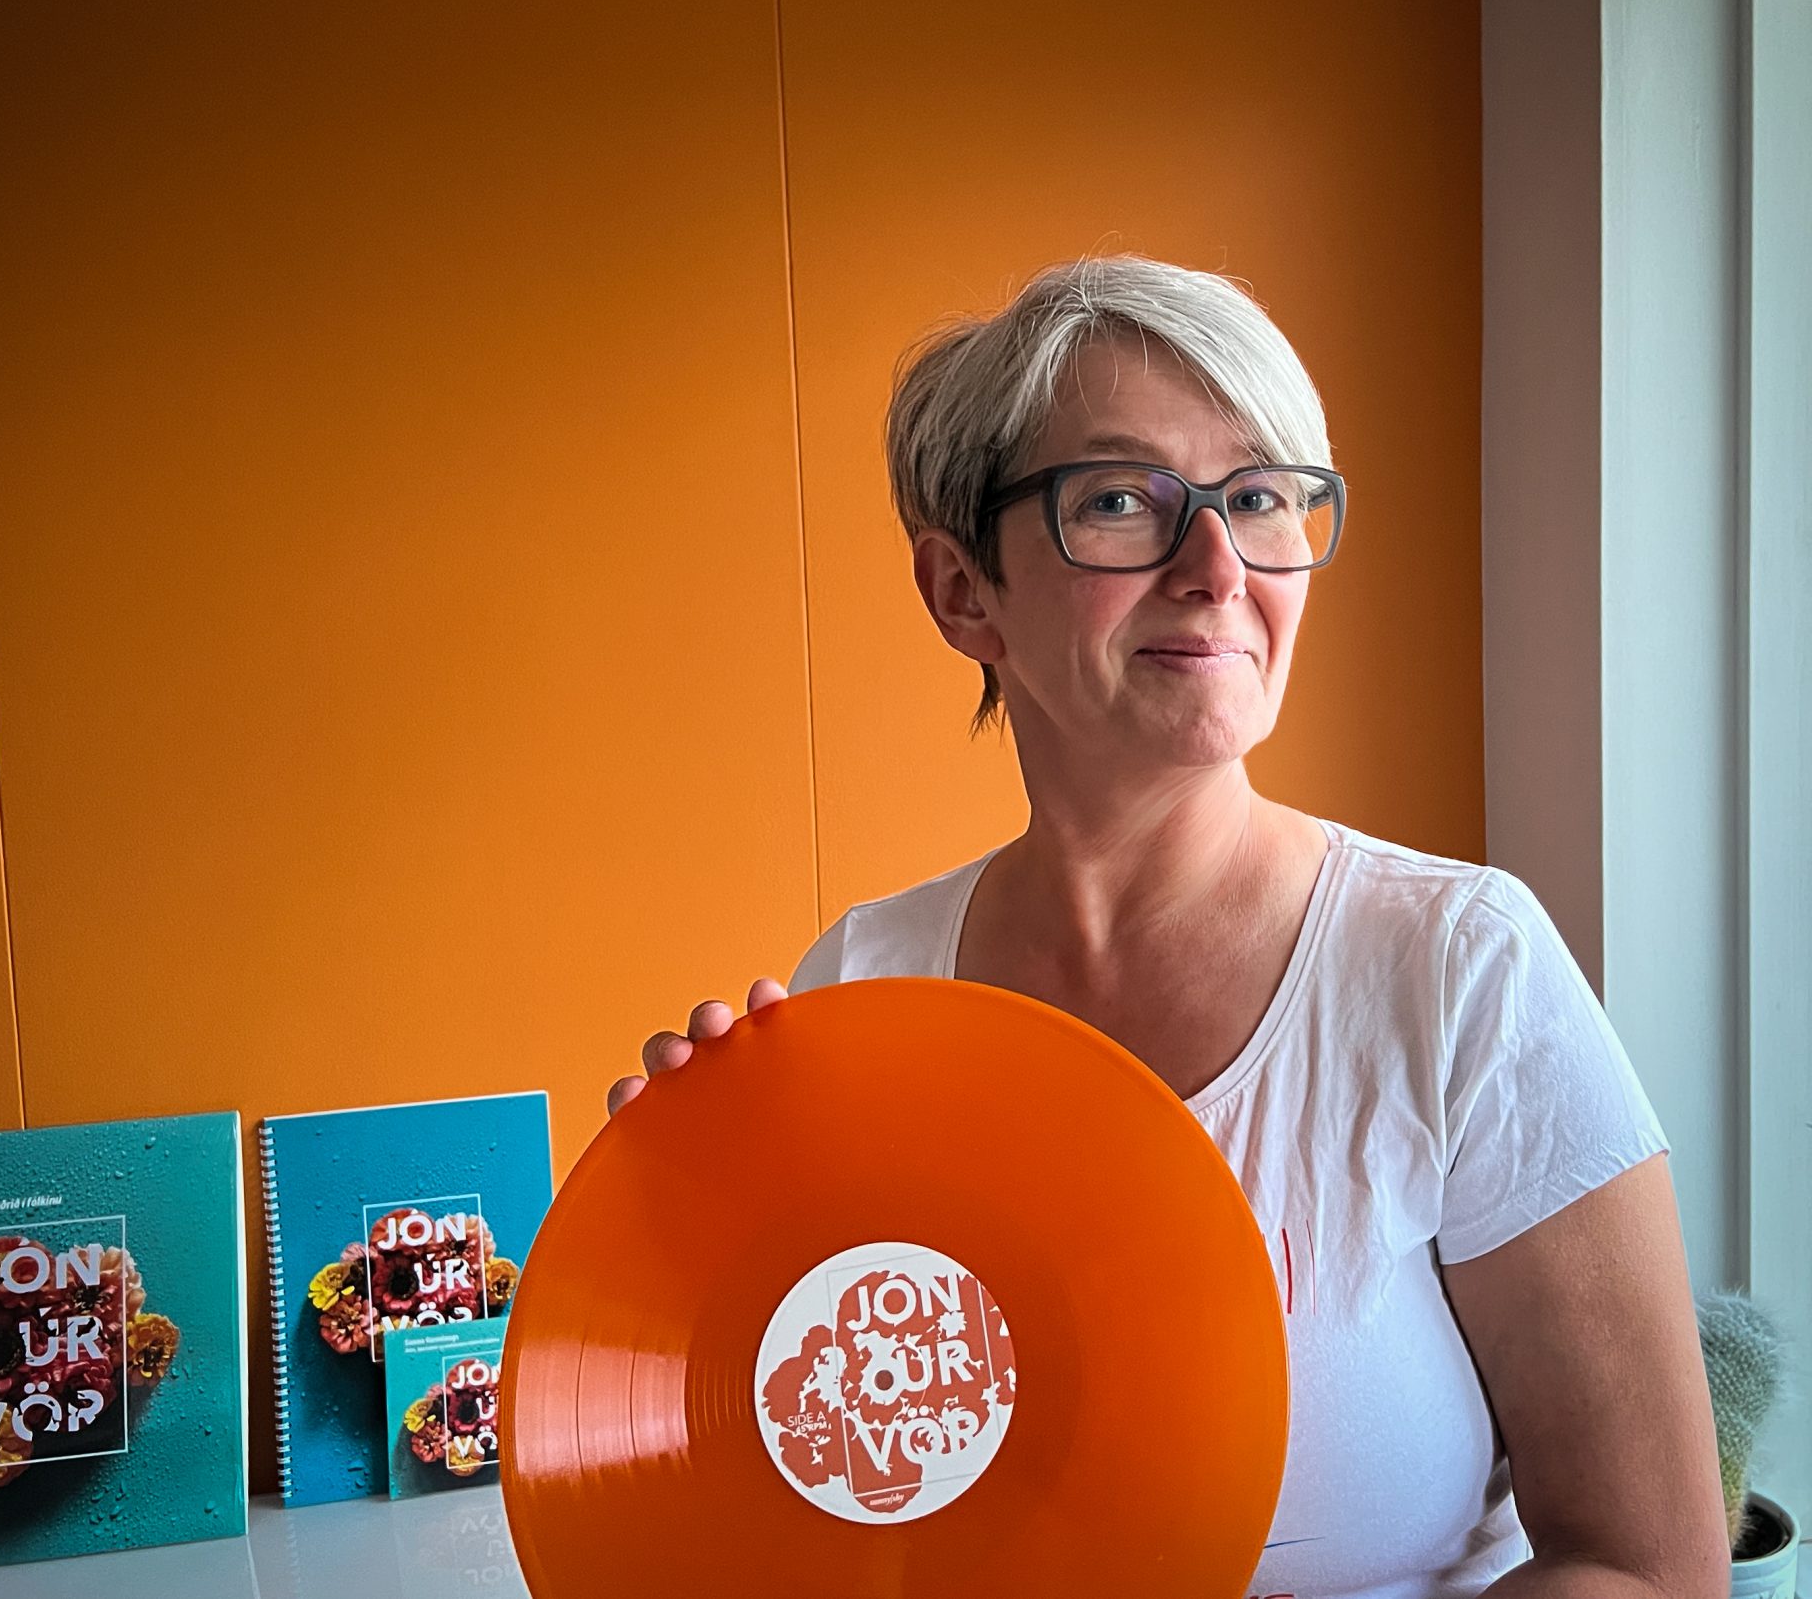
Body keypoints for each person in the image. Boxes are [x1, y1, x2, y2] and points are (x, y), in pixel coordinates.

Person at [607, 256, 1725, 1599]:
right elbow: (844, 1509)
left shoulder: (1459, 969)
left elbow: (1651, 1573)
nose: (1218, 567)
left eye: (1260, 498)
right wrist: (691, 1274)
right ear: (965, 591)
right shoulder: (864, 980)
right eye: (1124, 500)